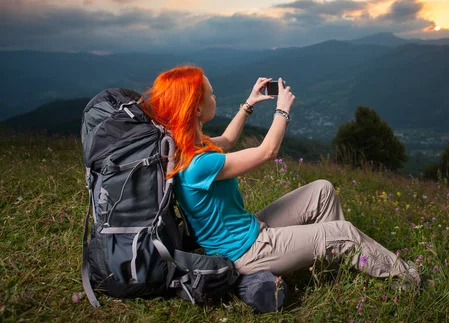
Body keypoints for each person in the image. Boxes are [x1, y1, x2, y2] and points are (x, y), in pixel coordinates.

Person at [140, 65, 420, 292]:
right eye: (210, 94)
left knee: (322, 189)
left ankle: (330, 269)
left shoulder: (189, 146)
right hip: (245, 253)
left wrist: (248, 104)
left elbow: (226, 139)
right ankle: (409, 279)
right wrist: (282, 110)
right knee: (345, 233)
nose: (215, 97)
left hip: (250, 232)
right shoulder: (198, 163)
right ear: (196, 108)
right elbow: (267, 151)